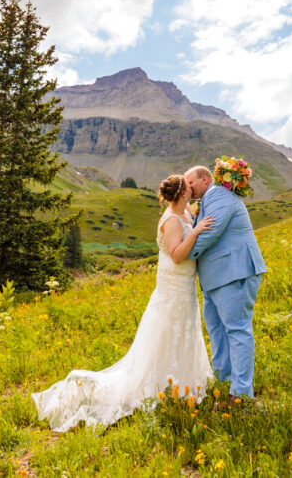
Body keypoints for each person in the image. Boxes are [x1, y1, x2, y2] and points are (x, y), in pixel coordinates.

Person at [31, 174, 215, 432]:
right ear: (183, 194)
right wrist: (195, 231)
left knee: (182, 331)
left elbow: (193, 219)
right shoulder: (172, 220)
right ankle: (164, 386)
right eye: (189, 188)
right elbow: (176, 255)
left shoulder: (184, 211)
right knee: (168, 332)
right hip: (173, 286)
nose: (192, 191)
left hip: (184, 285)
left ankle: (182, 383)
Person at [184, 165, 266, 399]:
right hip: (215, 278)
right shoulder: (208, 199)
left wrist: (183, 254)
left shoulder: (218, 194)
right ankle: (223, 380)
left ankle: (241, 393)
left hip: (234, 271)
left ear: (205, 178)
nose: (188, 188)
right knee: (217, 330)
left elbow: (211, 231)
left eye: (191, 183)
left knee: (237, 330)